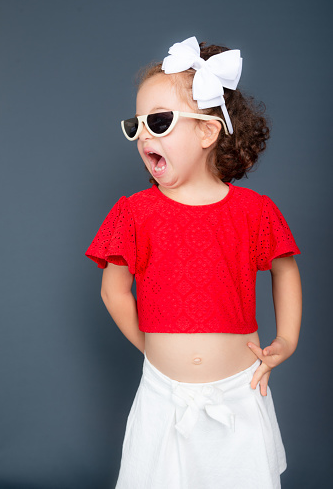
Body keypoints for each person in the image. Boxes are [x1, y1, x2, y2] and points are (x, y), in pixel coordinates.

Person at [85, 36, 302, 489]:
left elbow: (284, 267)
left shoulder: (253, 210)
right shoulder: (134, 212)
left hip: (240, 392)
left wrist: (287, 338)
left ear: (207, 131)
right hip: (163, 395)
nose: (144, 134)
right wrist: (154, 350)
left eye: (159, 121)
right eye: (136, 124)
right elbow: (112, 289)